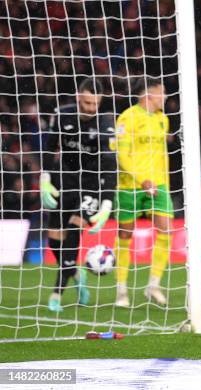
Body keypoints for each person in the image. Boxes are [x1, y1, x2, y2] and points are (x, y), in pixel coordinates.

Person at [41, 77, 116, 312]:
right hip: (64, 179)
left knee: (73, 233)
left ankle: (56, 294)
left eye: (95, 104)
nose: (91, 109)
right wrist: (45, 177)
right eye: (86, 104)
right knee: (55, 241)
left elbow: (110, 162)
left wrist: (106, 202)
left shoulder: (105, 123)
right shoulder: (62, 115)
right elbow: (49, 147)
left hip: (91, 184)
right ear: (78, 98)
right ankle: (76, 273)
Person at [113, 77, 173, 307]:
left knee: (166, 230)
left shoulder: (162, 120)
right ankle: (121, 290)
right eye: (162, 93)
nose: (165, 97)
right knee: (125, 235)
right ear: (150, 94)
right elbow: (122, 156)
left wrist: (156, 181)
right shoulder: (128, 118)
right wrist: (141, 179)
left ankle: (153, 285)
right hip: (131, 185)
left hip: (158, 185)